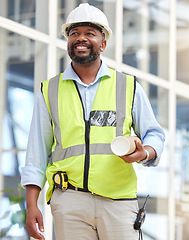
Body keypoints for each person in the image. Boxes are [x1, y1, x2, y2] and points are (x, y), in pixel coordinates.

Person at [21, 3, 165, 240]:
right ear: (68, 42)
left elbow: (155, 134)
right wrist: (31, 204)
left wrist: (144, 152)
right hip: (70, 201)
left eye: (90, 33)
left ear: (103, 43)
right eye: (74, 33)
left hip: (118, 201)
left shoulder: (127, 87)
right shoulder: (49, 91)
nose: (81, 38)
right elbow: (36, 151)